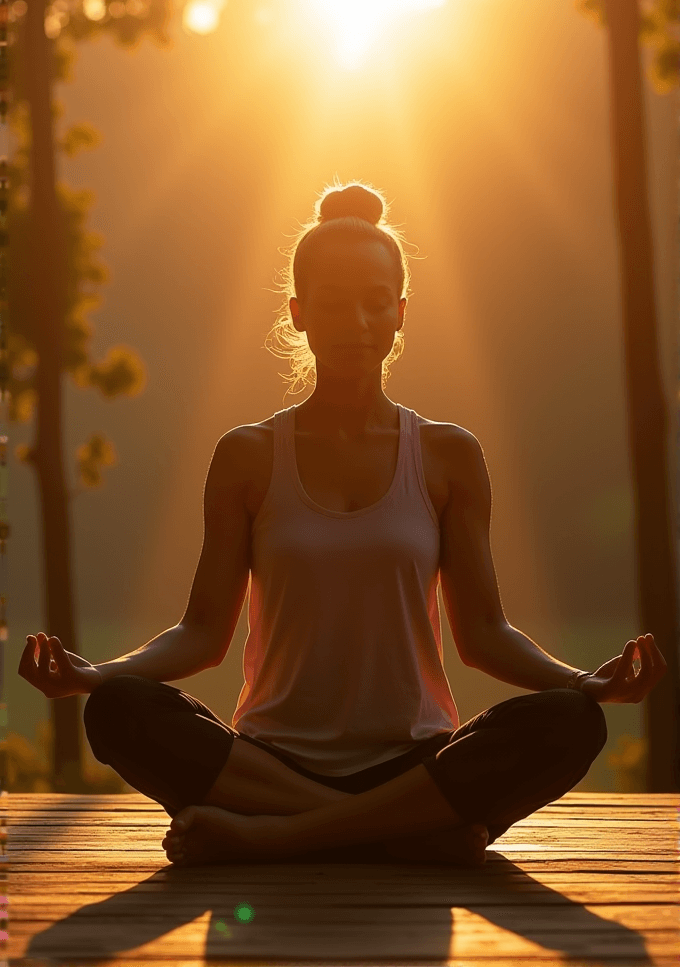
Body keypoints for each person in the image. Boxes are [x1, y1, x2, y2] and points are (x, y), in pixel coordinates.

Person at [19, 181, 667, 870]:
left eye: (374, 301)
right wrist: (99, 674)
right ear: (299, 314)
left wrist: (583, 683)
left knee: (569, 722)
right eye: (331, 303)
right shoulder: (249, 456)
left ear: (401, 312)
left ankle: (280, 835)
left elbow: (484, 636)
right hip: (270, 760)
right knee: (118, 711)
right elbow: (202, 635)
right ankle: (399, 833)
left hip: (414, 762)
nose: (355, 320)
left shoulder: (449, 456)